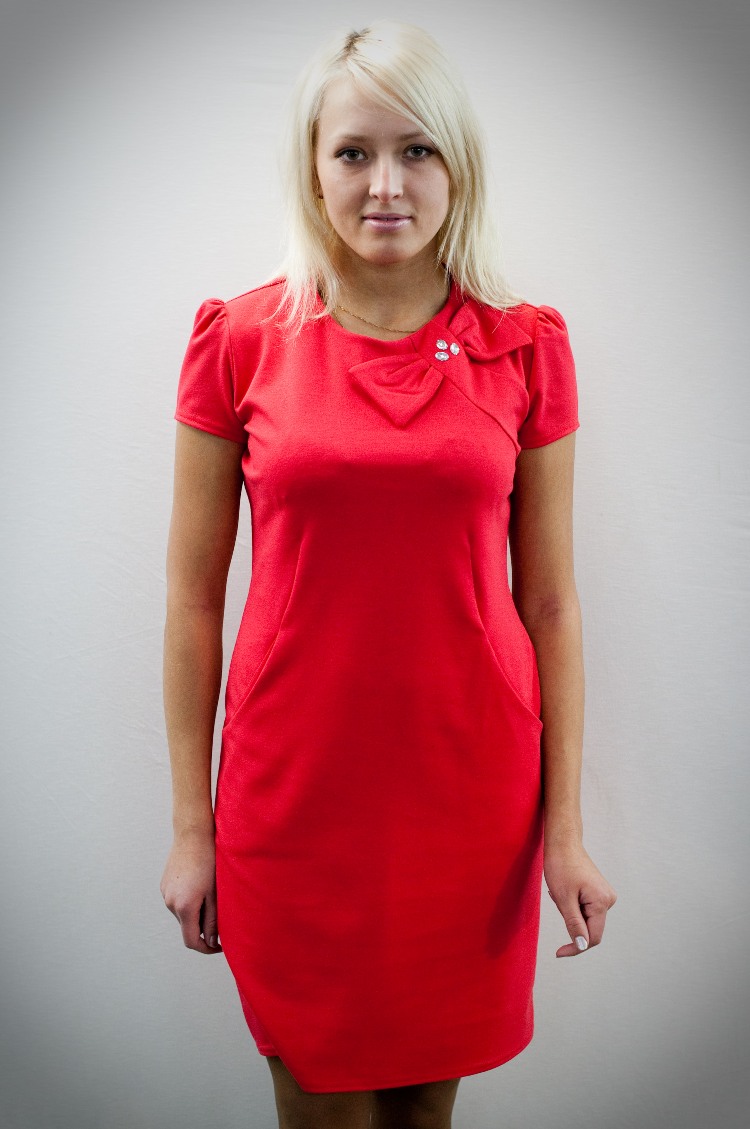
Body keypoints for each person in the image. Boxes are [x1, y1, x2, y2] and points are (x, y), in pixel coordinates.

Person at [160, 19, 617, 1129]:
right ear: (312, 169)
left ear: (458, 165)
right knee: (321, 1102)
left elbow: (550, 602)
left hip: (470, 800)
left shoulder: (526, 345)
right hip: (295, 800)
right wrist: (190, 826)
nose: (385, 185)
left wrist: (564, 830)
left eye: (417, 150)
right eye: (353, 152)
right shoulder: (240, 340)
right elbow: (192, 599)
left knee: (425, 1113)